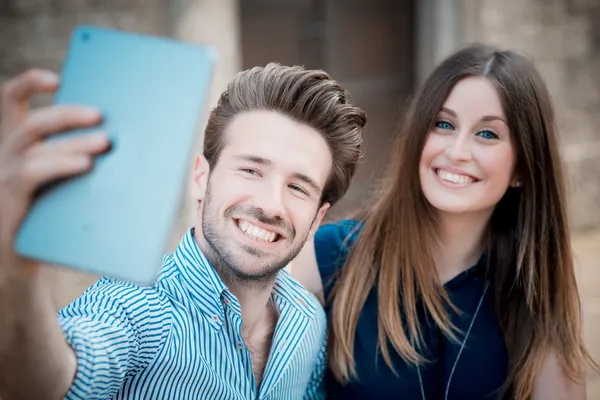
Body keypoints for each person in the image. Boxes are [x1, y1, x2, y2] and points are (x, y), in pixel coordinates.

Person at [0, 63, 366, 399]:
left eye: (298, 187)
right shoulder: (133, 307)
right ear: (201, 178)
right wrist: (15, 271)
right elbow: (47, 383)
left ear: (317, 218)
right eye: (251, 170)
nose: (271, 205)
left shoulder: (308, 323)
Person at [292, 43, 597, 399]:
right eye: (443, 124)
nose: (456, 152)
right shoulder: (329, 257)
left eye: (487, 133)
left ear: (522, 168)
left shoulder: (532, 289)